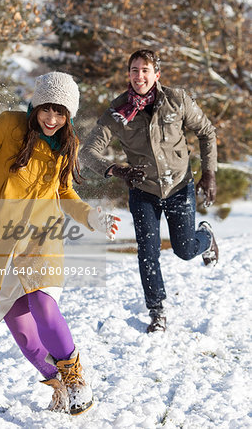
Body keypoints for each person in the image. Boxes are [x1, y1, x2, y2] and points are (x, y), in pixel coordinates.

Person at [0, 72, 120, 415]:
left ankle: (74, 379)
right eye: (46, 110)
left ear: (68, 115)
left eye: (60, 113)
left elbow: (65, 193)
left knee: (43, 304)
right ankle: (55, 382)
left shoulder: (66, 144)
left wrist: (91, 218)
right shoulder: (10, 125)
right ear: (36, 105)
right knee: (23, 332)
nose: (52, 120)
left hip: (42, 237)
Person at [80, 49, 219, 333]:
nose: (139, 75)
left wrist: (209, 173)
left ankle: (205, 236)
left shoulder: (177, 100)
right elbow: (87, 152)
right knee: (147, 251)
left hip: (179, 185)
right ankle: (157, 310)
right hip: (143, 190)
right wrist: (116, 170)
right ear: (128, 74)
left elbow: (206, 131)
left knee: (185, 249)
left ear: (157, 74)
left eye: (145, 70)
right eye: (134, 70)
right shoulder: (118, 111)